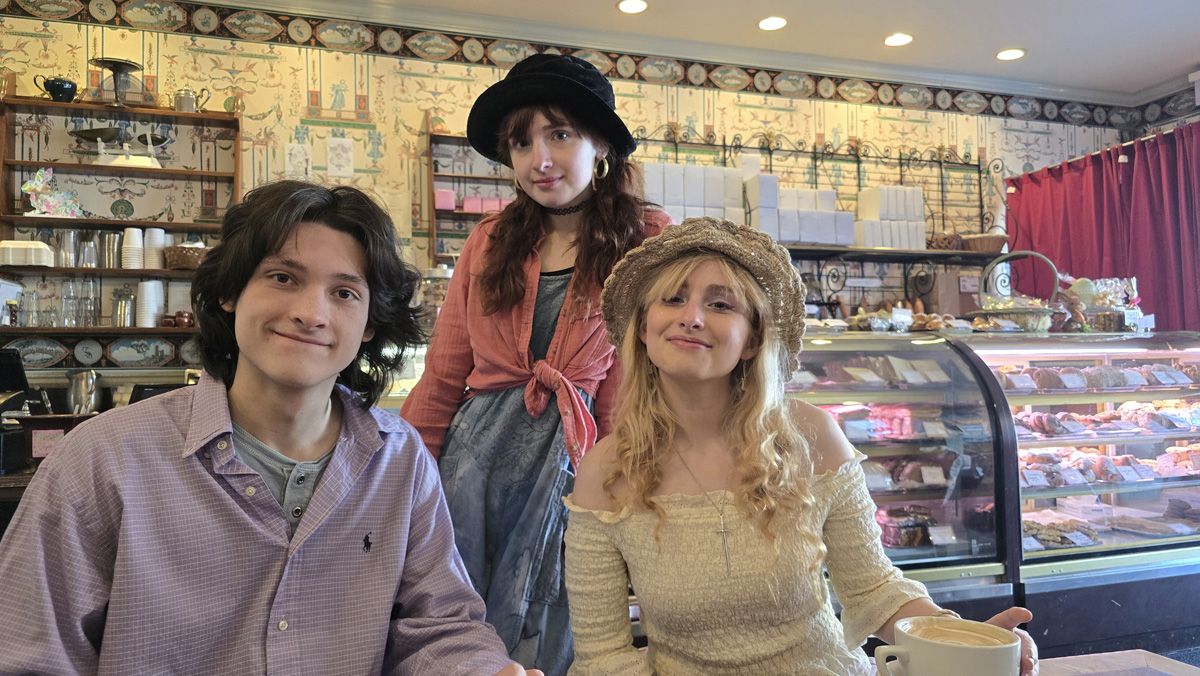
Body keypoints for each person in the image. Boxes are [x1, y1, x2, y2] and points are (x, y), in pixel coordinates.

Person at [0, 180, 541, 676]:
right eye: (283, 278)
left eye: (345, 293)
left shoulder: (399, 461)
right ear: (230, 292)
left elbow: (438, 626)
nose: (311, 313)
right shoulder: (103, 460)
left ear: (370, 324)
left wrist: (482, 669)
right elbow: (28, 654)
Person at [564, 217, 1039, 675]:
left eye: (721, 304)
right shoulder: (605, 473)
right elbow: (603, 656)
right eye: (672, 299)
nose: (691, 318)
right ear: (643, 328)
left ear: (753, 340)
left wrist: (960, 639)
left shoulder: (812, 437)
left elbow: (874, 588)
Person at [401, 54, 670, 675]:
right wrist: (406, 483)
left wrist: (628, 489)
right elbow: (443, 377)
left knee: (559, 638)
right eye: (522, 143)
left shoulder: (649, 240)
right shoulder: (489, 240)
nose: (539, 160)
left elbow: (632, 389)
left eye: (560, 135)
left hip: (578, 476)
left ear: (601, 145)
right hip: (473, 473)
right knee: (461, 633)